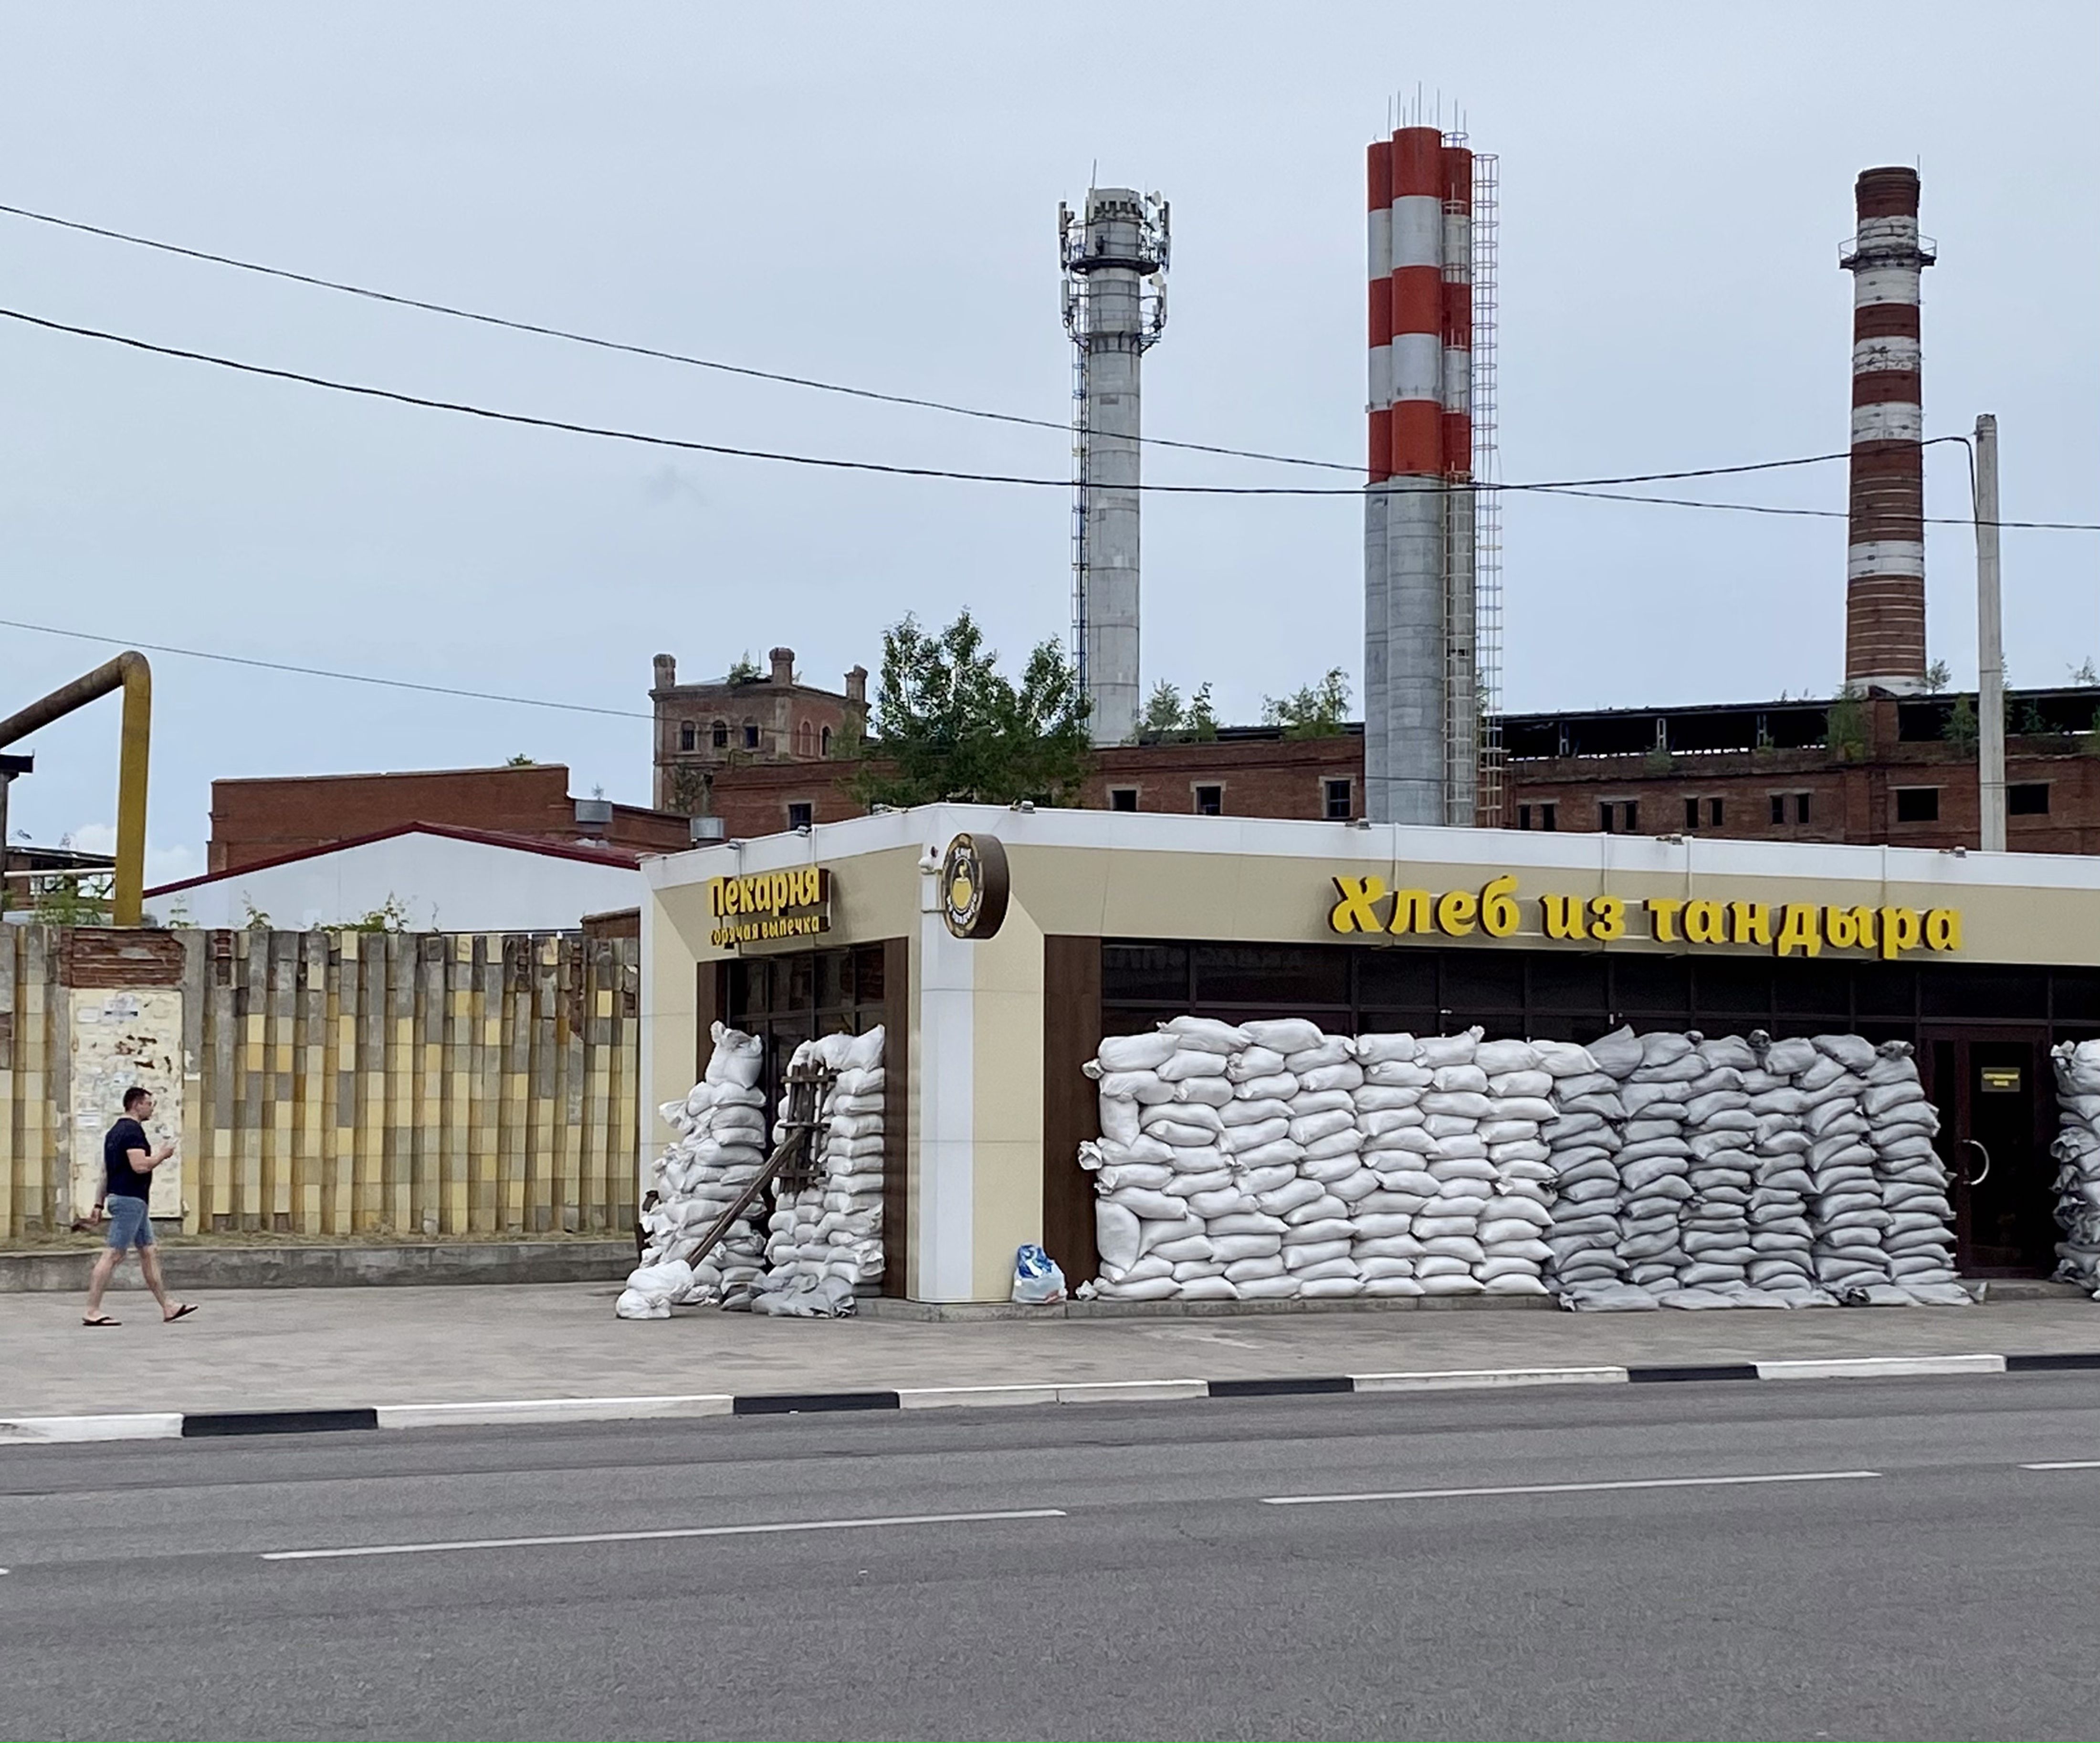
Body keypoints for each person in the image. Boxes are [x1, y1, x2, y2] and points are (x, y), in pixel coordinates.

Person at [83, 1087, 196, 1328]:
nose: (152, 1109)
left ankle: (168, 1306)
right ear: (136, 1105)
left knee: (149, 1251)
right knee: (114, 1253)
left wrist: (98, 1203)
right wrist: (163, 1155)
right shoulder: (132, 1132)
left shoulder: (114, 1133)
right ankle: (92, 1310)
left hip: (130, 1201)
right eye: (149, 1104)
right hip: (129, 1200)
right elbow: (140, 1166)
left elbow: (106, 1172)